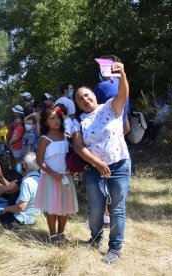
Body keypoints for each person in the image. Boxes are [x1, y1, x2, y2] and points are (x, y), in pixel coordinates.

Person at [73, 62, 130, 264]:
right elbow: (78, 147)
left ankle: (115, 248)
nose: (85, 99)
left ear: (94, 95)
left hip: (119, 165)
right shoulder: (79, 121)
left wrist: (122, 74)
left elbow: (123, 93)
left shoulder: (111, 106)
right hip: (94, 170)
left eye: (87, 95)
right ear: (78, 104)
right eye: (80, 99)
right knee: (96, 208)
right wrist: (97, 163)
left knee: (117, 209)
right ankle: (95, 238)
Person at [35, 106, 78, 245]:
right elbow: (39, 161)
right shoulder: (45, 139)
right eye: (52, 118)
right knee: (52, 208)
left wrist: (72, 169)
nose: (56, 120)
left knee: (65, 207)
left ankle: (61, 232)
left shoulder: (66, 136)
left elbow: (69, 156)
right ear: (46, 122)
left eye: (58, 117)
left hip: (65, 177)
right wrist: (53, 174)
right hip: (51, 178)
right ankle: (53, 235)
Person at [1, 152, 42, 226]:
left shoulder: (27, 182)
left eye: (23, 161)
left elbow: (21, 207)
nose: (21, 163)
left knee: (0, 217)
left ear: (26, 165)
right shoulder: (41, 179)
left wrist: (7, 209)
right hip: (38, 218)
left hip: (24, 219)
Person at [94, 55, 130, 134]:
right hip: (119, 133)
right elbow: (127, 126)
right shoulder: (124, 86)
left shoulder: (101, 87)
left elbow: (92, 113)